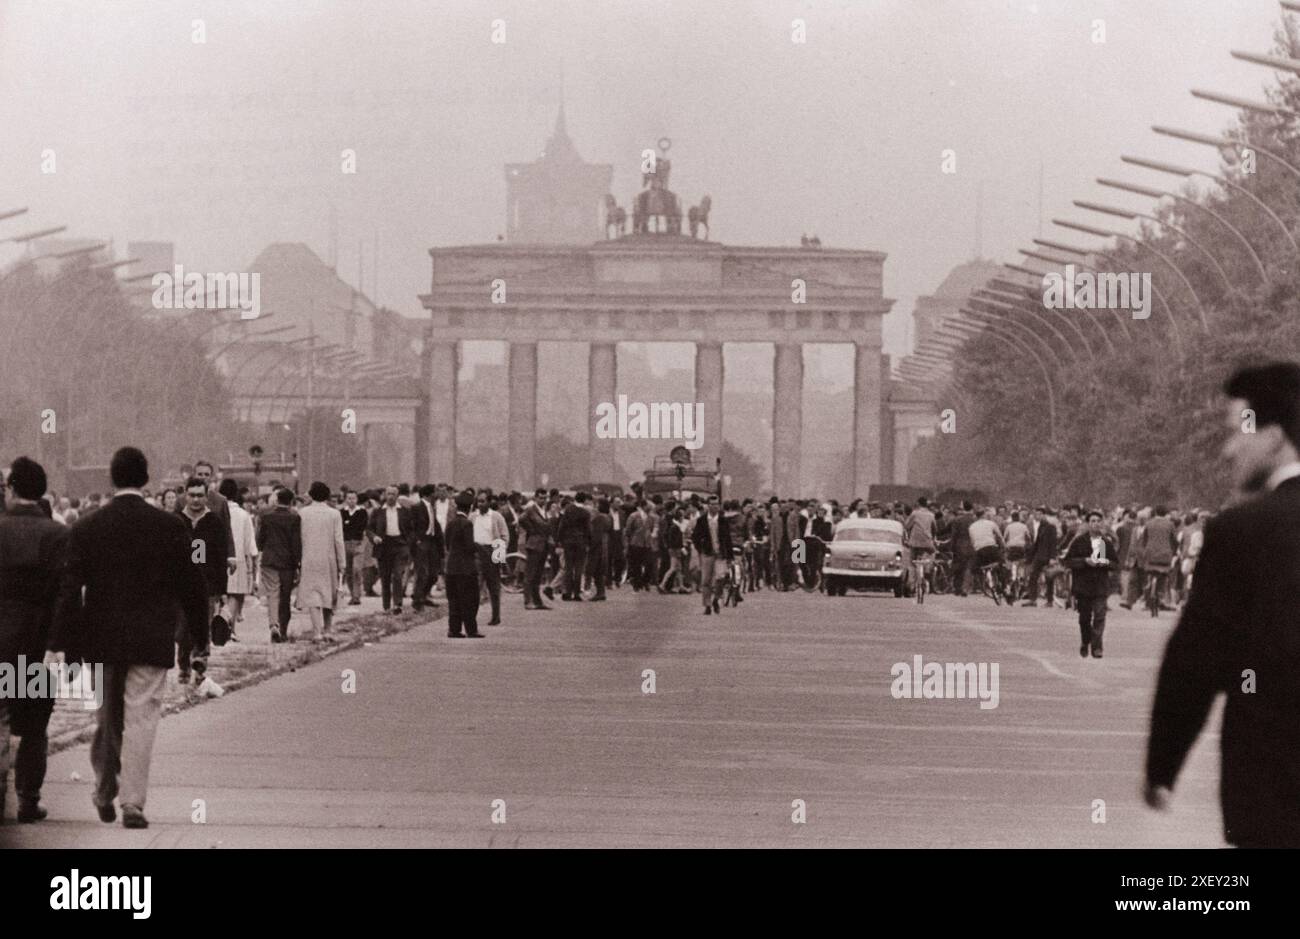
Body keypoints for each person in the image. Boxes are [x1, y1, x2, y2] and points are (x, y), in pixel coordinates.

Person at [1145, 362, 1300, 847]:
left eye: (1237, 431)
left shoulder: (1244, 531)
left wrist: (1162, 768)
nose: (1228, 448)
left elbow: (1195, 661)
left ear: (1273, 436)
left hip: (1275, 793)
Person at [49, 447, 207, 829]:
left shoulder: (87, 526)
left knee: (106, 718)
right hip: (152, 639)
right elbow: (193, 587)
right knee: (141, 720)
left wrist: (63, 644)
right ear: (146, 479)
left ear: (112, 478)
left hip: (101, 639)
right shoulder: (171, 527)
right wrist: (201, 639)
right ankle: (132, 801)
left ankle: (104, 790)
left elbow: (69, 590)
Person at [0, 457, 68, 824]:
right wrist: (58, 646)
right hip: (39, 645)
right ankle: (28, 798)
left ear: (10, 489)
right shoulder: (58, 535)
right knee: (35, 726)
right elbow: (66, 595)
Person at [179, 476, 229, 690]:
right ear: (185, 495)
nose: (196, 500)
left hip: (206, 585)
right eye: (192, 495)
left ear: (206, 496)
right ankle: (183, 665)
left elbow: (220, 557)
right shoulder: (176, 521)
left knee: (203, 626)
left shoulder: (214, 522)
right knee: (183, 629)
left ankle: (200, 663)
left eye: (200, 495)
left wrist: (222, 589)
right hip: (180, 585)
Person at [1063, 510, 1118, 658]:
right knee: (1084, 618)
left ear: (1102, 523)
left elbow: (1114, 563)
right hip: (1083, 586)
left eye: (1098, 521)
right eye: (1092, 521)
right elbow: (1068, 561)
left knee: (1100, 616)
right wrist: (1084, 561)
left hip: (1100, 585)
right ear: (1088, 524)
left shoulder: (1105, 542)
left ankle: (1097, 646)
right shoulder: (1079, 541)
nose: (1095, 524)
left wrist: (1103, 562)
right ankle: (1085, 641)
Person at [298, 482, 346, 642]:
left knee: (313, 595)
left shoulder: (302, 513)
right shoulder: (334, 514)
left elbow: (298, 538)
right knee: (329, 594)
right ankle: (328, 629)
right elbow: (338, 540)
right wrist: (342, 562)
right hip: (328, 558)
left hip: (308, 557)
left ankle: (317, 632)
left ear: (311, 495)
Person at [257, 487, 301, 642]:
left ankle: (273, 624)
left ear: (277, 500)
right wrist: (298, 564)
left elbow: (260, 539)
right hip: (288, 562)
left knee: (272, 594)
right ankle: (283, 630)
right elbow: (296, 543)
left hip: (269, 560)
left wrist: (263, 549)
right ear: (291, 502)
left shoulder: (266, 517)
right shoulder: (294, 518)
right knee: (285, 596)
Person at [218, 478, 258, 640]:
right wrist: (253, 558)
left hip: (218, 558)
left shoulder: (214, 511)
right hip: (238, 558)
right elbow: (250, 542)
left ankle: (219, 620)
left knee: (219, 593)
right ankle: (231, 628)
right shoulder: (243, 515)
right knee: (235, 594)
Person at [367, 485, 415, 614]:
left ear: (397, 496)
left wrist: (408, 542)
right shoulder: (378, 511)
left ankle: (397, 604)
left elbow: (411, 530)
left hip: (400, 545)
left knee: (398, 575)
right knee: (385, 577)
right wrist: (374, 537)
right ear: (384, 495)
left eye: (393, 494)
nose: (391, 497)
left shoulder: (405, 511)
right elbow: (369, 529)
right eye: (388, 494)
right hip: (384, 545)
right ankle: (386, 606)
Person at [444, 491, 483, 638]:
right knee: (469, 600)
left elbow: (447, 544)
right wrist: (478, 547)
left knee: (453, 600)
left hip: (451, 568)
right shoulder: (467, 524)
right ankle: (471, 629)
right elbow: (469, 547)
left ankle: (454, 629)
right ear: (470, 508)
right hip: (465, 568)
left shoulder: (451, 523)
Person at [472, 490, 509, 624]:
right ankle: (472, 617)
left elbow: (504, 536)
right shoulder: (473, 517)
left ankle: (495, 616)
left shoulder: (496, 517)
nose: (480, 504)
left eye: (483, 501)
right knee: (475, 586)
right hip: (476, 554)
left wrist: (499, 556)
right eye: (478, 501)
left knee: (494, 587)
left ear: (489, 502)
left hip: (491, 552)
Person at [692, 494, 732, 615]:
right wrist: (701, 549)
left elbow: (728, 539)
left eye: (716, 504)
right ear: (708, 506)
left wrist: (730, 556)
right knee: (706, 580)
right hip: (707, 553)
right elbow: (695, 537)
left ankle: (716, 599)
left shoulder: (723, 521)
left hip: (720, 554)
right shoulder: (702, 520)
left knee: (721, 578)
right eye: (712, 504)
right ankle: (707, 604)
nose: (715, 507)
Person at [1137, 505, 1178, 617]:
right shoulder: (1170, 524)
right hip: (1165, 556)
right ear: (1165, 513)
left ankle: (1148, 591)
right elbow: (1174, 540)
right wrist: (1174, 551)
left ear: (1155, 512)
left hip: (1150, 555)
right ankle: (1160, 594)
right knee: (1164, 575)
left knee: (1149, 574)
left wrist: (1145, 551)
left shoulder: (1148, 523)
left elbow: (1144, 540)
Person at [410, 484, 444, 612]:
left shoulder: (431, 507)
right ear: (429, 494)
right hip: (422, 542)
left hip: (432, 543)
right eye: (435, 492)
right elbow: (411, 527)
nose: (437, 494)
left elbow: (435, 526)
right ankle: (417, 601)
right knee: (422, 573)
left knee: (434, 573)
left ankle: (423, 595)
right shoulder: (417, 507)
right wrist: (417, 541)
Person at [557, 492, 592, 602]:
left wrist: (559, 540)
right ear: (584, 500)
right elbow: (588, 529)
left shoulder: (568, 510)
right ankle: (576, 593)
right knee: (578, 568)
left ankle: (567, 592)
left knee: (568, 567)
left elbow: (562, 526)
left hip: (568, 541)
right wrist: (589, 542)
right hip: (581, 542)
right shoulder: (586, 513)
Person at [519, 491, 551, 611]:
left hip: (543, 544)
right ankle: (528, 601)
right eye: (541, 498)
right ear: (536, 498)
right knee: (530, 574)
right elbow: (521, 519)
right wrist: (531, 530)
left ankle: (537, 601)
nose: (543, 500)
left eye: (545, 498)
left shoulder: (544, 510)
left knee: (538, 575)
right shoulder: (531, 509)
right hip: (534, 544)